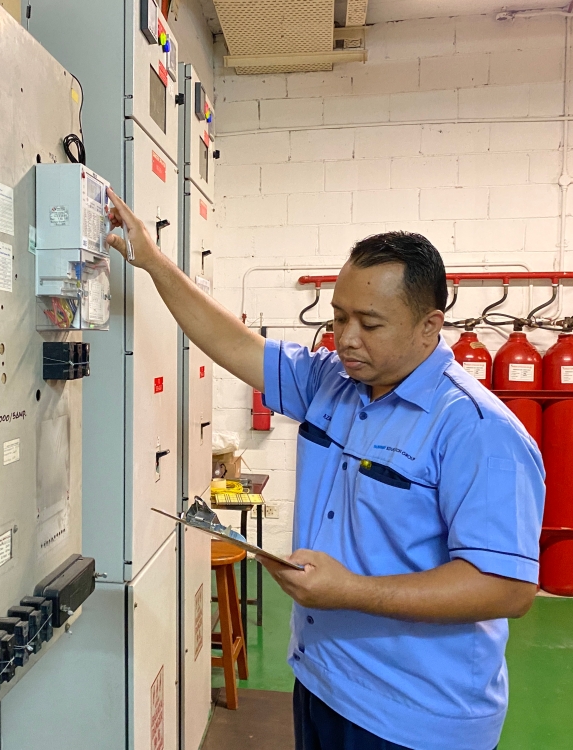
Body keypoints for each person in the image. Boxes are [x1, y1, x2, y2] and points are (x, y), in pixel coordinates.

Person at [104, 188, 545, 750]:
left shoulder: (478, 431)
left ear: (430, 325)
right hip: (322, 683)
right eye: (338, 318)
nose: (346, 338)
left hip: (416, 717)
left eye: (370, 323)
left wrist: (351, 590)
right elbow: (230, 342)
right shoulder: (332, 382)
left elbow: (506, 588)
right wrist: (151, 260)